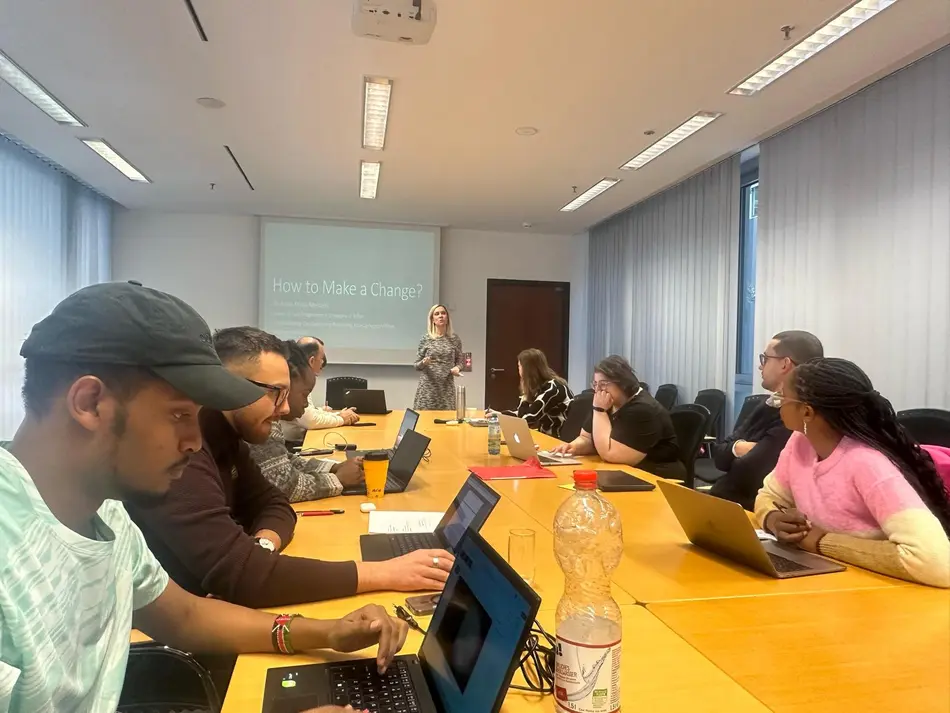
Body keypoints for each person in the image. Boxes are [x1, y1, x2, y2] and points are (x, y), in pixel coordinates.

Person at [0, 282, 407, 713]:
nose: (195, 442)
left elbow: (185, 617)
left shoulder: (105, 513)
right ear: (89, 403)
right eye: (178, 414)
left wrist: (327, 632)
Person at [125, 326, 455, 609]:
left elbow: (274, 503)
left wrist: (262, 547)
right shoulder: (183, 451)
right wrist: (383, 573)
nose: (285, 409)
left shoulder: (227, 434)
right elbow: (243, 576)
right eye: (276, 394)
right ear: (228, 384)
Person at [756, 357, 950, 588]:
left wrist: (822, 542)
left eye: (782, 398)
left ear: (807, 412)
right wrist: (772, 518)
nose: (778, 405)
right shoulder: (801, 441)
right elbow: (769, 496)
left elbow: (937, 563)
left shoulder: (867, 464)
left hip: (879, 594)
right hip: (829, 583)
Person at [709, 330, 824, 510]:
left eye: (765, 359)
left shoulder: (798, 415)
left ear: (785, 364)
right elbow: (719, 454)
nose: (760, 366)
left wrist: (734, 450)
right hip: (726, 500)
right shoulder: (768, 404)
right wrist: (739, 448)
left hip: (750, 509)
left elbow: (750, 471)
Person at [250, 340, 365, 501]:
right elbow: (285, 486)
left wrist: (334, 467)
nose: (306, 403)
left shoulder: (270, 419)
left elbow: (287, 462)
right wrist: (338, 479)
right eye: (305, 395)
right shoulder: (261, 422)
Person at [551, 355, 685, 478]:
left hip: (657, 475)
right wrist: (574, 447)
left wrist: (599, 411)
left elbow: (609, 454)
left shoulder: (643, 409)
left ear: (622, 383)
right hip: (625, 471)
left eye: (603, 384)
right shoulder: (607, 401)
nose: (597, 390)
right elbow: (587, 438)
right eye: (595, 384)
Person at [489, 348, 574, 438]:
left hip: (558, 439)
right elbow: (523, 414)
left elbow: (527, 419)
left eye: (519, 366)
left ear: (527, 369)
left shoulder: (552, 388)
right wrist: (500, 415)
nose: (518, 370)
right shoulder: (541, 386)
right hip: (548, 435)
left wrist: (525, 393)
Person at [293, 336, 360, 430]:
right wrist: (342, 419)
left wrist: (338, 415)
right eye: (321, 359)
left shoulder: (298, 376)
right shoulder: (296, 380)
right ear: (312, 361)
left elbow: (310, 414)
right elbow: (311, 421)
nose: (322, 362)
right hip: (290, 438)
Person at [413, 304, 464, 410]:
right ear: (432, 319)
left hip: (446, 389)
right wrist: (423, 362)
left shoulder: (454, 339)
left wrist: (457, 368)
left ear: (447, 318)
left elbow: (460, 362)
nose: (441, 316)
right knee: (425, 419)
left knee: (447, 419)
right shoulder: (426, 339)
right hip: (427, 390)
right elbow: (416, 365)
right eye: (437, 314)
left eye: (443, 313)